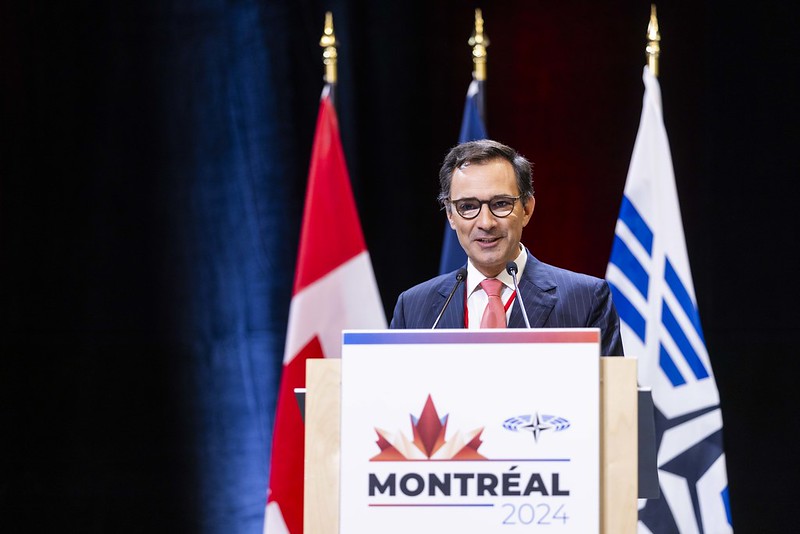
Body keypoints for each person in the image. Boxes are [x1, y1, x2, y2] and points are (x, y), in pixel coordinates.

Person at [389, 139, 624, 356]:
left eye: (500, 204)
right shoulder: (412, 308)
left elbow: (611, 399)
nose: (486, 223)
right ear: (451, 215)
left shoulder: (587, 300)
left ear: (527, 210)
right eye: (468, 206)